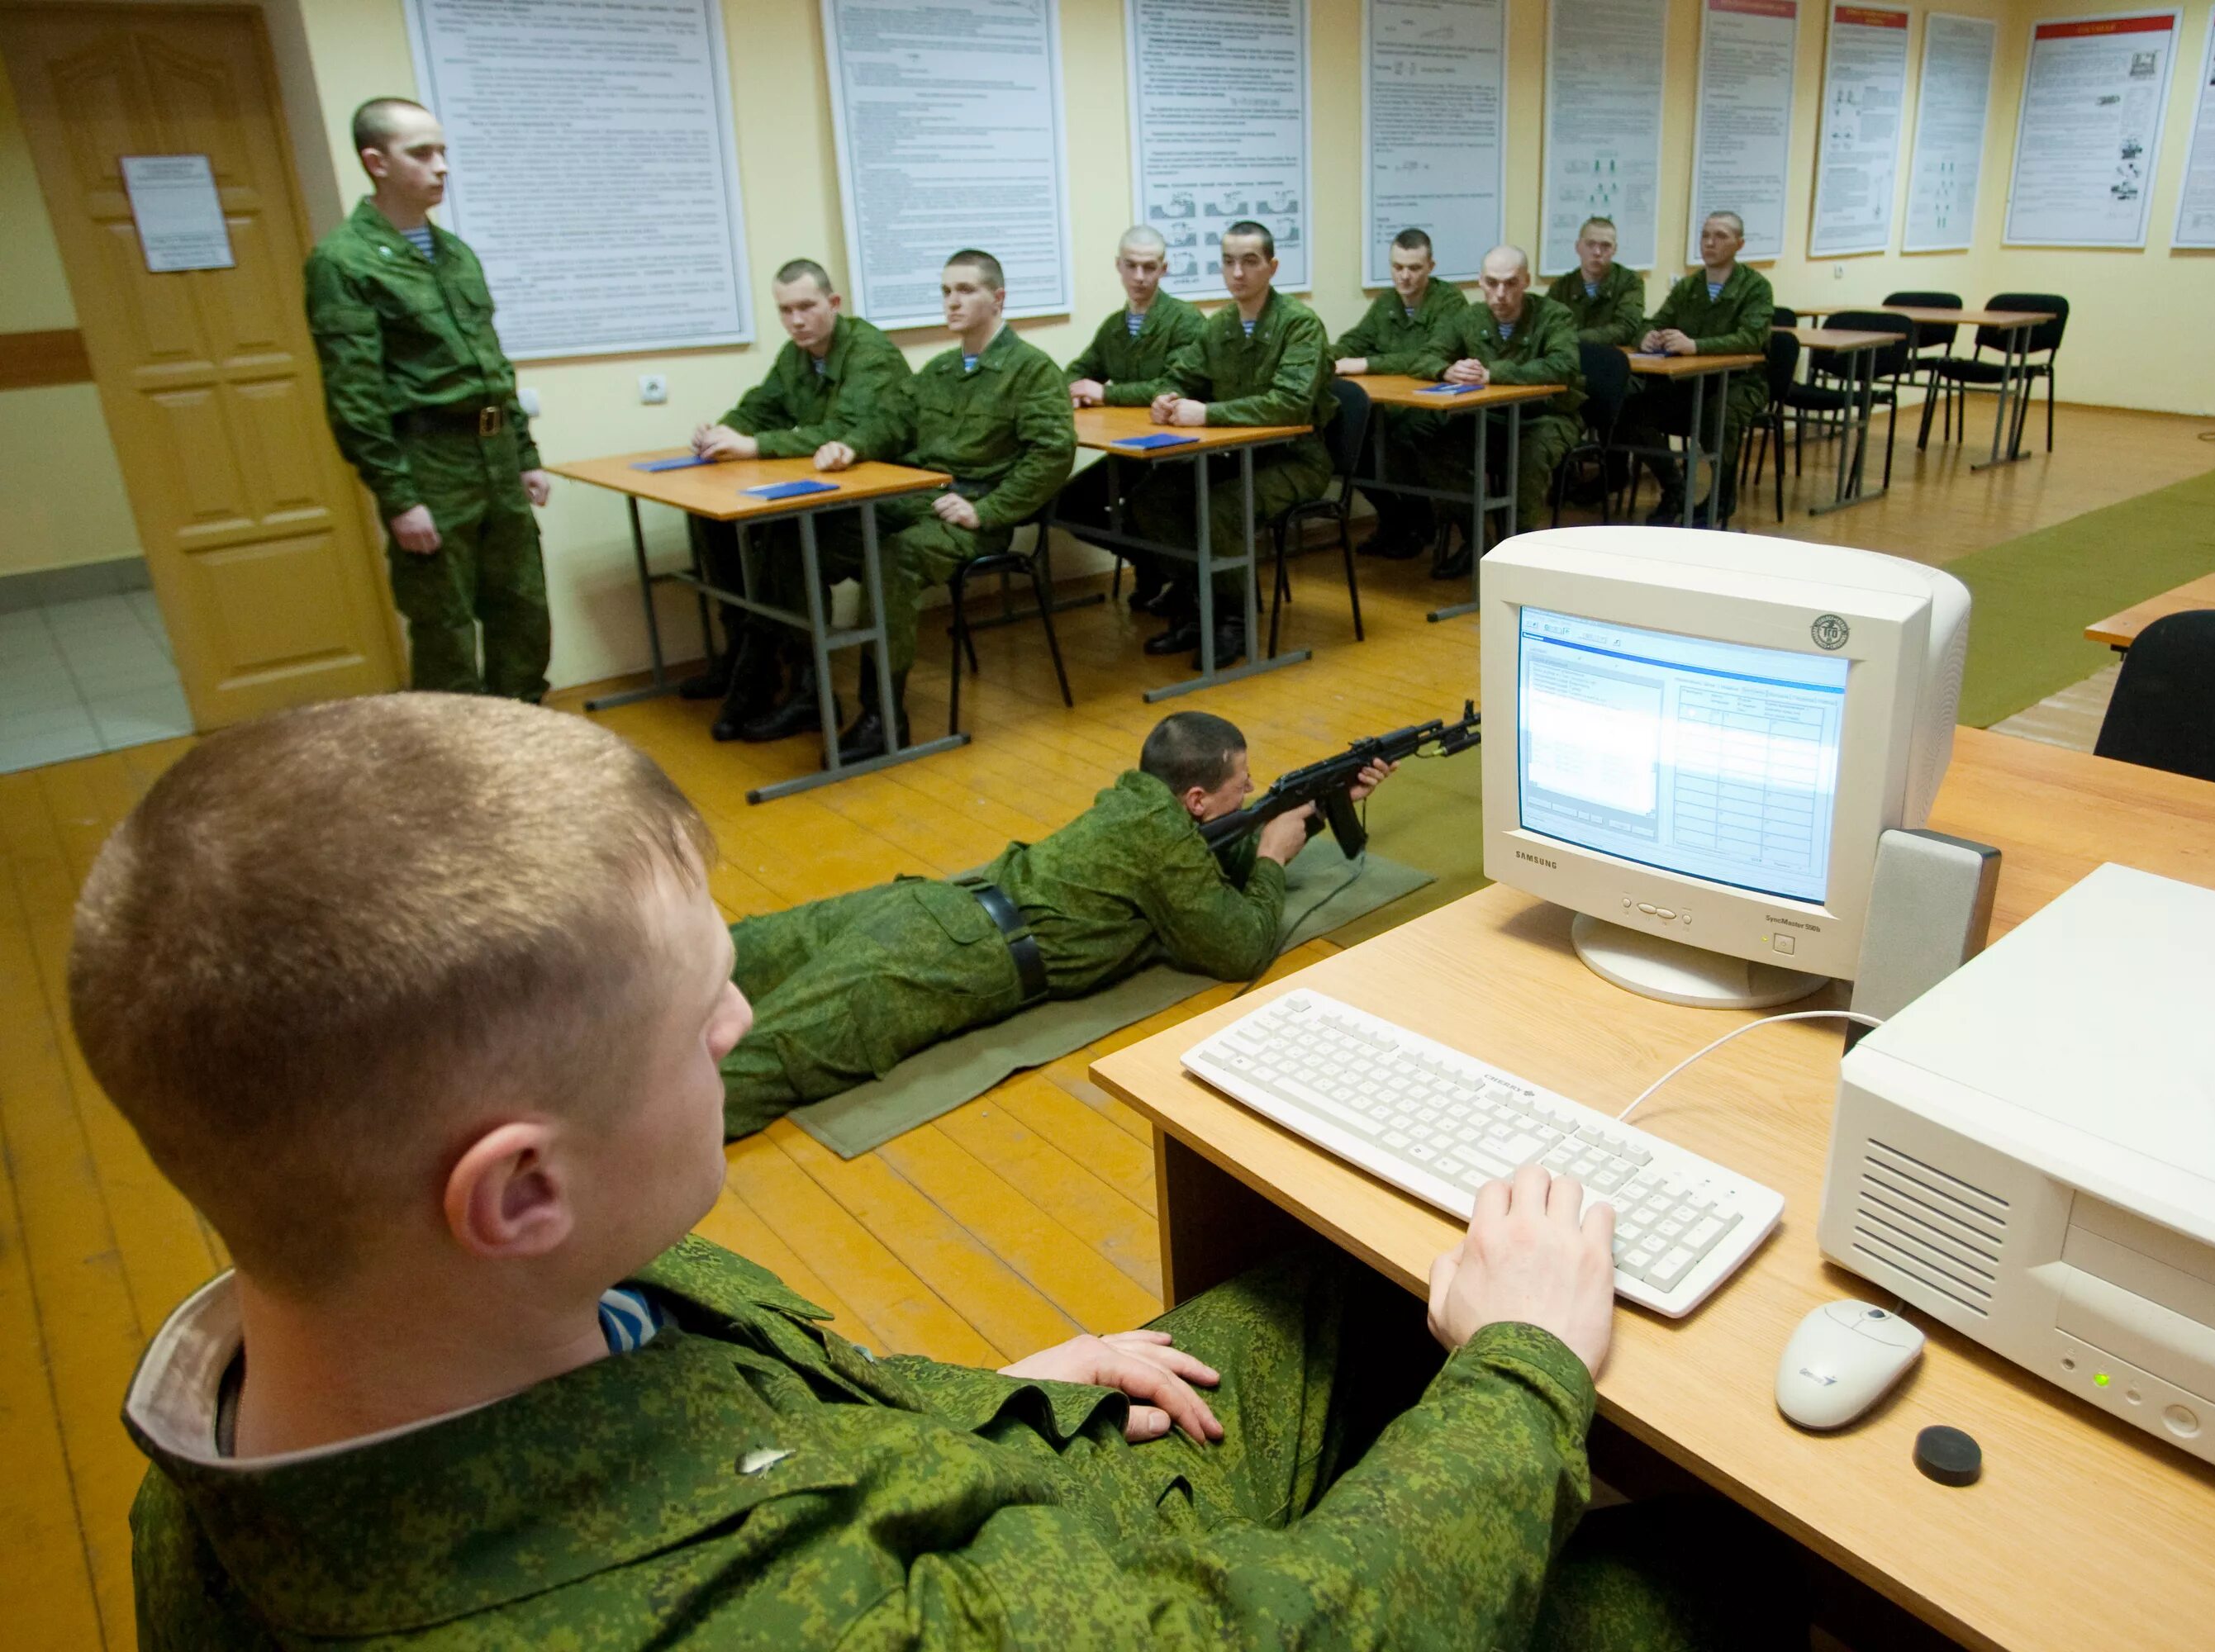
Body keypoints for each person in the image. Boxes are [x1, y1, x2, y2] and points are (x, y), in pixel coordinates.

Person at [78, 692, 1804, 1649]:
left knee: (1344, 1289)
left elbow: (737, 1406)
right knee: (1711, 1577)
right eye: (703, 1017)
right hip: (1124, 1587)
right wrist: (1519, 1379)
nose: (747, 1019)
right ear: (520, 1189)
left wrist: (992, 1389)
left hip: (995, 1468)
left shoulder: (333, 1369)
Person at [721, 710, 1390, 1137]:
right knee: (752, 1069)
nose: (1250, 791)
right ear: (1194, 797)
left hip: (935, 904)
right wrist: (1273, 858)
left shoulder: (1139, 804)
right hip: (953, 958)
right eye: (1241, 782)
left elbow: (1199, 852)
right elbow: (1241, 947)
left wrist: (1316, 807)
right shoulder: (1165, 838)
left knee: (731, 955)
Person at [304, 97, 554, 701]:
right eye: (421, 153)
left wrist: (524, 452)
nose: (441, 166)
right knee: (444, 622)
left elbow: (492, 364)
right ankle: (454, 768)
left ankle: (525, 740)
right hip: (430, 459)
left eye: (442, 151)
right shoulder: (343, 261)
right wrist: (399, 496)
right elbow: (354, 393)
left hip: (494, 453)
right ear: (376, 162)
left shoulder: (455, 256)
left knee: (522, 608)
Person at [813, 251, 1074, 760]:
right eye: (946, 291)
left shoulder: (1031, 371)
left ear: (997, 298)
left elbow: (1052, 454)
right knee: (817, 532)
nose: (952, 302)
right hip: (919, 497)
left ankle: (883, 716)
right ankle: (802, 688)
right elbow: (895, 421)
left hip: (975, 514)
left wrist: (990, 510)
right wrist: (854, 446)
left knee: (894, 557)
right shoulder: (942, 368)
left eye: (965, 290)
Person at [680, 260, 910, 743]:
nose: (797, 321)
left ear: (834, 304)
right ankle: (754, 664)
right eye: (786, 311)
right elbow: (759, 406)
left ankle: (799, 685)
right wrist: (725, 432)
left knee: (787, 544)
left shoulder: (869, 355)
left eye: (807, 307)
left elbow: (846, 431)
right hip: (825, 496)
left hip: (882, 503)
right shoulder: (796, 355)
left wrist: (758, 447)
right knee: (716, 524)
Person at [1117, 221, 1337, 671]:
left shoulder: (1299, 325)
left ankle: (1234, 621)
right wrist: (1168, 398)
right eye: (1229, 261)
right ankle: (1202, 606)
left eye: (1250, 261)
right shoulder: (1220, 324)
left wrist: (1209, 414)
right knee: (1152, 499)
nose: (1238, 272)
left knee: (1222, 508)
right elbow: (1181, 376)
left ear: (1272, 267)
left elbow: (1291, 405)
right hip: (1237, 456)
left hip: (1295, 458)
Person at [1057, 227, 1208, 615]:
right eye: (1132, 267)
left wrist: (1105, 393)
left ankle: (1175, 574)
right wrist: (1065, 389)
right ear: (1118, 267)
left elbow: (1172, 385)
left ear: (1164, 269)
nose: (1140, 277)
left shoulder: (1185, 322)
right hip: (1131, 448)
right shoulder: (1114, 326)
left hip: (1174, 452)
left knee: (1147, 505)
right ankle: (1151, 563)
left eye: (1149, 267)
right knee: (1068, 504)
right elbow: (1081, 368)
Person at [1413, 245, 1585, 570]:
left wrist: (1495, 374)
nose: (1500, 294)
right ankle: (1479, 542)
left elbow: (1564, 365)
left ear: (1526, 281)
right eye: (1492, 283)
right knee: (1428, 438)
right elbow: (1425, 355)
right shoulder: (1469, 317)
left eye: (1510, 283)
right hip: (1489, 418)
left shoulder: (1554, 315)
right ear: (1480, 282)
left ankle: (1518, 557)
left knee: (1528, 459)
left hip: (1545, 417)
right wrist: (1445, 370)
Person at [1332, 227, 1470, 559]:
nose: (1404, 276)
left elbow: (1428, 356)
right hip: (1391, 408)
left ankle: (1423, 520)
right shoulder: (1387, 303)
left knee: (1406, 438)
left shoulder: (1449, 302)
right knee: (1349, 441)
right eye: (1397, 267)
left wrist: (1364, 363)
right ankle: (1396, 520)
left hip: (1434, 409)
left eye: (1414, 268)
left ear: (1431, 266)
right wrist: (1327, 358)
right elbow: (1354, 341)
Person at [1632, 211, 1774, 525]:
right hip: (1689, 381)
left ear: (1739, 244)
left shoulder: (1755, 287)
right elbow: (1654, 320)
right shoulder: (1690, 285)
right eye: (1706, 235)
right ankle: (1674, 486)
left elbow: (1751, 338)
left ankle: (1721, 500)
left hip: (1739, 382)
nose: (1710, 243)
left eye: (1720, 236)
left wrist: (1696, 346)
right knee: (1633, 412)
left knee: (1717, 415)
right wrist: (1648, 336)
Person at [1543, 217, 1647, 349]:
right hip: (1570, 361)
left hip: (1612, 359)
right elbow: (1546, 328)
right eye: (1590, 244)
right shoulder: (1562, 287)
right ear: (1578, 247)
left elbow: (1625, 328)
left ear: (1615, 250)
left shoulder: (1629, 282)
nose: (1597, 252)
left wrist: (1571, 337)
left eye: (1606, 246)